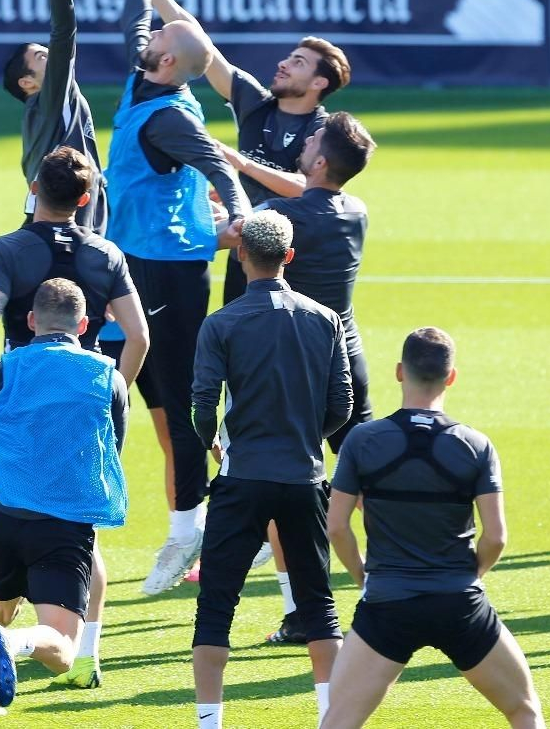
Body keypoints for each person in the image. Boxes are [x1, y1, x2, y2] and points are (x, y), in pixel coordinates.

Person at [0, 146, 149, 692]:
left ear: (33, 187)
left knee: (3, 528)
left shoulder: (8, 248)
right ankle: (85, 657)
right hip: (84, 400)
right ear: (86, 200)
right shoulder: (105, 254)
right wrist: (111, 397)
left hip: (19, 393)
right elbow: (140, 335)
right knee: (82, 531)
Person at [102, 0, 251, 596]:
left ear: (167, 65)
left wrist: (241, 217)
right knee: (157, 411)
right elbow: (137, 17)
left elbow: (219, 169)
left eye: (158, 39)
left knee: (181, 414)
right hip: (135, 262)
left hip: (169, 273)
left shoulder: (170, 116)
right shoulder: (147, 79)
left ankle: (189, 531)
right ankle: (194, 523)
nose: (150, 36)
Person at [0, 279, 129, 722]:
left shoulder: (1, 372)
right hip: (66, 527)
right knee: (63, 648)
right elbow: (112, 448)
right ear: (85, 324)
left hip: (8, 520)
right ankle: (15, 644)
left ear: (31, 322)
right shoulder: (107, 375)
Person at [106, 0, 352, 303]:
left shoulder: (321, 132)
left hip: (294, 256)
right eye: (289, 56)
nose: (284, 63)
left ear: (319, 82)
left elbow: (311, 187)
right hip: (245, 247)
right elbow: (199, 45)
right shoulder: (254, 102)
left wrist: (243, 166)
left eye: (298, 62)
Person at [321, 328, 543, 729]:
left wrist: (364, 578)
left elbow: (336, 527)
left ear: (399, 372)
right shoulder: (476, 445)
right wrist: (467, 575)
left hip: (387, 604)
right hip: (459, 603)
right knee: (524, 710)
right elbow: (496, 536)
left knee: (340, 719)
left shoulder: (361, 440)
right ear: (451, 376)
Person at [190, 211, 351, 729]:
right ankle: (331, 719)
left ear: (241, 256)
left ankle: (209, 722)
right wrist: (307, 437)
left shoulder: (222, 323)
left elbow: (201, 404)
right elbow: (342, 405)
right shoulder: (325, 320)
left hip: (241, 480)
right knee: (318, 604)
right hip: (304, 479)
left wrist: (213, 441)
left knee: (216, 605)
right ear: (290, 256)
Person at [257, 110, 376, 646]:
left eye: (313, 140)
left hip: (295, 363)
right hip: (348, 356)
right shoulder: (357, 211)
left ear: (321, 160)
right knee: (369, 477)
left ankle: (300, 612)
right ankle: (400, 584)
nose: (304, 141)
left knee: (286, 490)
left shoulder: (283, 214)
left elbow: (241, 237)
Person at [1, 0, 105, 232]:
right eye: (41, 57)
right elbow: (64, 33)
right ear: (27, 82)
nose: (51, 56)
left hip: (47, 225)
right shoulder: (51, 101)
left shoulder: (41, 117)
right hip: (68, 229)